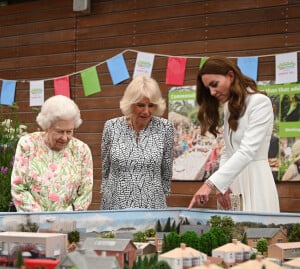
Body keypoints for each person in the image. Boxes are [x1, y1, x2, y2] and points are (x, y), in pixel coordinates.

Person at [188, 55, 280, 212]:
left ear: (230, 76)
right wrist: (224, 185)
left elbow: (247, 151)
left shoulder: (259, 102)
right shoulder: (229, 107)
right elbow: (228, 151)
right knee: (233, 234)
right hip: (234, 182)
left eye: (214, 85)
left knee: (255, 233)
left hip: (255, 181)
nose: (212, 92)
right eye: (208, 88)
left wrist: (210, 184)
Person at [100, 75, 174, 210]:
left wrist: (155, 196)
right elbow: (105, 169)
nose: (146, 111)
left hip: (152, 206)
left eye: (151, 105)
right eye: (140, 105)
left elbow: (167, 171)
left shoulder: (165, 128)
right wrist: (107, 192)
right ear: (130, 103)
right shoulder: (111, 126)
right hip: (115, 205)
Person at [11, 95, 93, 212]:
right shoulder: (27, 145)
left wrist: (64, 219)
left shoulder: (81, 150)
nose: (65, 138)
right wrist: (42, 219)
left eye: (69, 131)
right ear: (46, 127)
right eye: (59, 131)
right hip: (33, 224)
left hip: (68, 224)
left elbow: (85, 193)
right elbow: (18, 188)